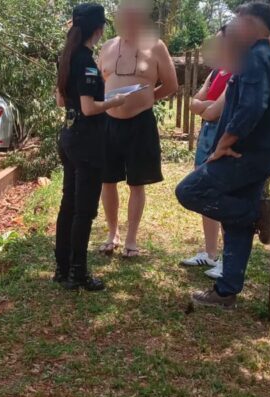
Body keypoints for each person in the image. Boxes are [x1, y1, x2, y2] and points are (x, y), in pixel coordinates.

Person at [175, 1, 270, 309]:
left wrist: (225, 141)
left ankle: (256, 214)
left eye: (237, 22)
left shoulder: (255, 59)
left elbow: (252, 108)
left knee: (189, 190)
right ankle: (226, 292)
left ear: (250, 26)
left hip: (243, 155)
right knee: (234, 222)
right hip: (256, 156)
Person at [54, 3, 126, 291]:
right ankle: (78, 274)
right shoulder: (85, 61)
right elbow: (89, 107)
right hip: (86, 141)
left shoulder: (67, 57)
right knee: (84, 210)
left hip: (69, 137)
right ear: (98, 29)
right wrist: (114, 101)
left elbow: (61, 101)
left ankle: (62, 268)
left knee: (68, 204)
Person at [97, 0, 178, 258]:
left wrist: (145, 99)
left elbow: (171, 84)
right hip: (108, 123)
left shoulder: (156, 47)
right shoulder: (107, 47)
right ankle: (113, 233)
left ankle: (131, 238)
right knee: (106, 180)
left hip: (140, 123)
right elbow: (100, 84)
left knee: (137, 182)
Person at [179, 25, 235, 279]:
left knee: (222, 193)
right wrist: (205, 106)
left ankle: (228, 257)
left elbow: (213, 110)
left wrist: (204, 106)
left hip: (221, 134)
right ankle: (210, 253)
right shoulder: (215, 73)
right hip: (206, 135)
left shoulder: (237, 73)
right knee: (204, 192)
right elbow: (193, 103)